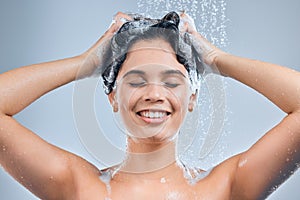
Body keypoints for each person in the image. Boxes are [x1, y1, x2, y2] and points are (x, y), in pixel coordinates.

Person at [0, 11, 299, 200]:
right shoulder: (80, 188)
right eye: (136, 81)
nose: (154, 93)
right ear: (113, 97)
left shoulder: (226, 188)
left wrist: (215, 59)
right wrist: (86, 63)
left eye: (171, 82)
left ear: (191, 97)